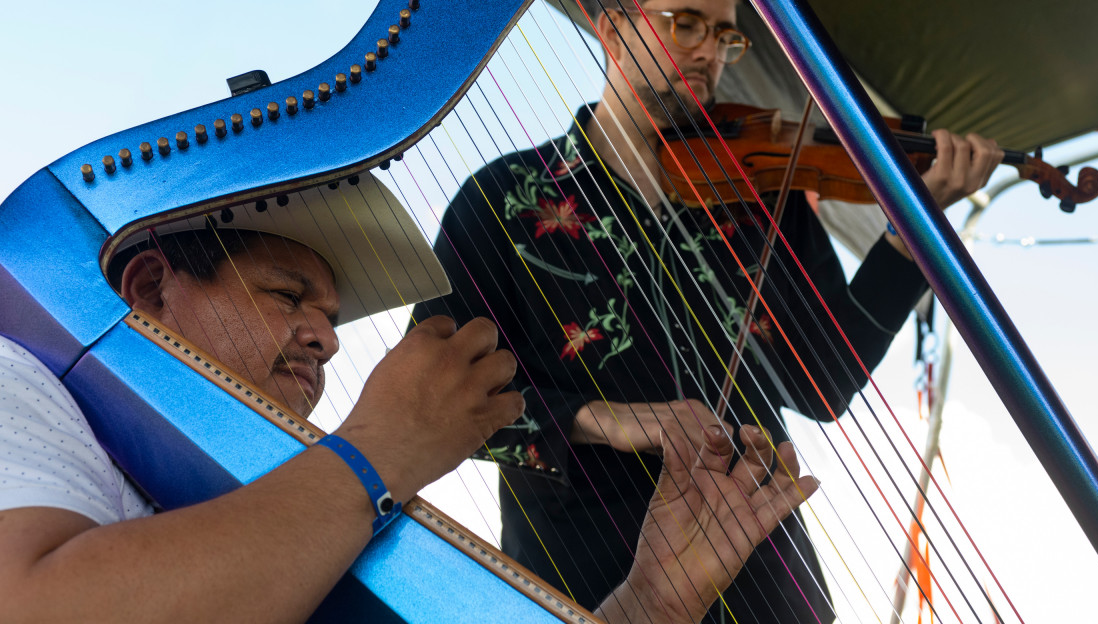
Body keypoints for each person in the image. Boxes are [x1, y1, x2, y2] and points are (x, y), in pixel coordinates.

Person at [412, 0, 1004, 622]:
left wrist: (907, 240)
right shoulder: (502, 200)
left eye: (725, 35)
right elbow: (434, 402)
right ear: (612, 30)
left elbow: (828, 382)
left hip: (775, 593)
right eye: (684, 24)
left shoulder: (764, 193)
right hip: (591, 586)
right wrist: (614, 420)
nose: (709, 52)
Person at [0, 174, 817, 624]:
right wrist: (374, 452)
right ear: (149, 286)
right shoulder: (23, 379)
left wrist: (655, 598)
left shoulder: (316, 507)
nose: (326, 339)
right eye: (289, 298)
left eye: (331, 318)